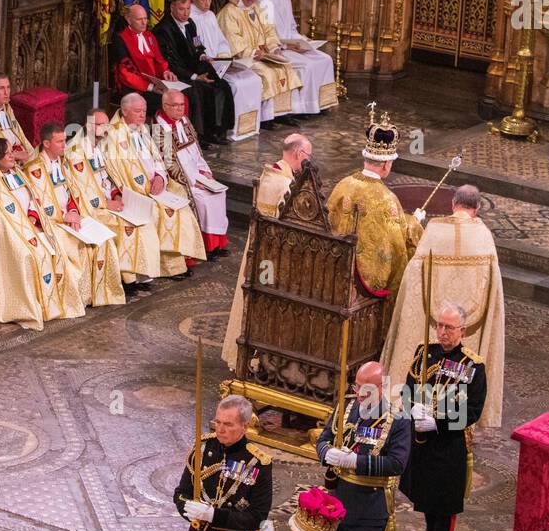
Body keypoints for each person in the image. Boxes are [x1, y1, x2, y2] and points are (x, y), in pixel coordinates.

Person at [381, 183, 506, 428]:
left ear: (452, 204)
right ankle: (456, 417)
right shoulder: (483, 237)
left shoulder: (434, 231)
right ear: (478, 208)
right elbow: (494, 288)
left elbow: (413, 277)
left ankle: (410, 407)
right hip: (469, 328)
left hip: (429, 322)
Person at [0, 137, 84, 330]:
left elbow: (34, 198)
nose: (12, 156)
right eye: (7, 153)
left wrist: (33, 218)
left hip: (29, 227)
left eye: (11, 152)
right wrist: (20, 231)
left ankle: (47, 304)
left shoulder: (17, 172)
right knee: (31, 255)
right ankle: (29, 306)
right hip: (5, 236)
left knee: (56, 250)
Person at [399, 303, 487, 531]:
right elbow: (409, 385)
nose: (442, 332)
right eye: (439, 325)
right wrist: (411, 407)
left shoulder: (472, 365)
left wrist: (438, 423)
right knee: (425, 496)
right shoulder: (425, 352)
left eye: (448, 327)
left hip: (449, 445)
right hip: (421, 442)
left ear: (462, 329)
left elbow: (472, 411)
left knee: (445, 504)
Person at [221, 133, 311, 369]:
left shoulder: (271, 174)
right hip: (270, 260)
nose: (308, 162)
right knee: (265, 304)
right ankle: (259, 359)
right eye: (308, 156)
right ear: (299, 154)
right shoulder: (283, 185)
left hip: (260, 253)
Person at [315, 361, 411, 531]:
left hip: (371, 506)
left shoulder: (398, 419)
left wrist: (356, 462)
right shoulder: (346, 406)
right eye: (356, 386)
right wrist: (326, 452)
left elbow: (397, 464)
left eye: (365, 388)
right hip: (341, 500)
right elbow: (324, 438)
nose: (358, 393)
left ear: (381, 388)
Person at [326, 104, 424, 310]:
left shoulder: (342, 184)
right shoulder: (387, 199)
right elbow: (397, 245)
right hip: (364, 287)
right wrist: (415, 222)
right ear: (387, 165)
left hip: (332, 273)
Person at [23, 122, 125, 308]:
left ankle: (99, 296)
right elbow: (37, 202)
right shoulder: (34, 168)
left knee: (105, 242)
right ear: (46, 144)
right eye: (60, 142)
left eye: (65, 140)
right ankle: (76, 299)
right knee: (79, 247)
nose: (64, 145)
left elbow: (71, 192)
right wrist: (63, 216)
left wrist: (72, 211)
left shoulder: (62, 162)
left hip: (70, 217)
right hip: (50, 222)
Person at [106, 92, 206, 277]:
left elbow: (158, 158)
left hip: (156, 186)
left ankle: (180, 261)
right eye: (138, 111)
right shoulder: (113, 136)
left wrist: (160, 176)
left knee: (180, 208)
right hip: (137, 192)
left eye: (144, 111)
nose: (143, 116)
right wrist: (140, 191)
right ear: (124, 111)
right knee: (164, 213)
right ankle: (169, 268)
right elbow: (115, 171)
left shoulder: (142, 128)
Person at [174, 395, 273, 531]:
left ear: (244, 426)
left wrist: (214, 515)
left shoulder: (257, 463)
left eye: (228, 424)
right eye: (217, 422)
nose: (220, 429)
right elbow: (181, 493)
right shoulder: (202, 448)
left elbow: (257, 517)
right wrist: (188, 509)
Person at [65, 107, 163, 290]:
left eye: (106, 124)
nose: (105, 128)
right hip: (92, 208)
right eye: (99, 124)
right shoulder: (76, 152)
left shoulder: (100, 147)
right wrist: (106, 202)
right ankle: (127, 281)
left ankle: (139, 275)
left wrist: (116, 194)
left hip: (107, 202)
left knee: (143, 222)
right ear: (88, 126)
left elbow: (107, 178)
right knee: (127, 228)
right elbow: (80, 188)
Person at [216, 0, 300, 125]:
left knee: (285, 67)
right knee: (268, 74)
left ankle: (282, 113)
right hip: (245, 58)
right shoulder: (229, 12)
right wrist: (254, 53)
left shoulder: (258, 7)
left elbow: (269, 30)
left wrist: (274, 49)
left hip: (264, 54)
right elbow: (233, 40)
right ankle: (266, 118)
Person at [152, 0, 233, 144]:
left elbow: (197, 44)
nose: (185, 13)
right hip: (179, 73)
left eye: (188, 8)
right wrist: (195, 77)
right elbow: (171, 62)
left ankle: (219, 130)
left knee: (221, 85)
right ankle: (200, 135)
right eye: (181, 9)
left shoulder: (190, 24)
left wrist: (203, 55)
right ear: (172, 8)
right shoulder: (163, 30)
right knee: (197, 90)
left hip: (195, 67)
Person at [154, 90, 229, 258]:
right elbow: (169, 164)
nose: (180, 109)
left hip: (197, 173)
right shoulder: (159, 129)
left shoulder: (184, 121)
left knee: (218, 193)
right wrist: (194, 181)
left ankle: (218, 243)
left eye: (182, 105)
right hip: (182, 179)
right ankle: (205, 246)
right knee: (203, 198)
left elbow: (196, 150)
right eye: (175, 105)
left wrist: (205, 172)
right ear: (165, 106)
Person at [259, 0, 337, 115]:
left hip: (293, 45)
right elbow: (266, 33)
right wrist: (287, 46)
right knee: (308, 66)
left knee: (325, 59)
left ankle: (321, 103)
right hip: (279, 48)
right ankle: (305, 107)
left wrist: (303, 41)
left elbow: (291, 29)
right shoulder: (264, 1)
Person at [191, 0, 266, 137]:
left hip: (219, 62)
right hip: (205, 65)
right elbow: (196, 44)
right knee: (236, 84)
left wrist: (224, 58)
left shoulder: (211, 15)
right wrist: (206, 58)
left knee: (253, 79)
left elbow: (221, 41)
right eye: (203, 0)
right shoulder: (190, 18)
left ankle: (247, 128)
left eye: (210, 0)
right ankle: (229, 130)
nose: (207, 4)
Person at [114, 3, 180, 118]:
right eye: (139, 19)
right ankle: (160, 135)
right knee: (169, 103)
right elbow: (126, 74)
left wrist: (166, 72)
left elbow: (159, 60)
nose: (144, 22)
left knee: (182, 96)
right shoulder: (121, 39)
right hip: (135, 88)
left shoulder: (150, 36)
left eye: (145, 18)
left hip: (156, 84)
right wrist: (150, 87)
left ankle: (183, 134)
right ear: (129, 20)